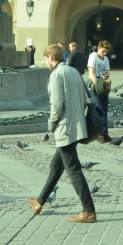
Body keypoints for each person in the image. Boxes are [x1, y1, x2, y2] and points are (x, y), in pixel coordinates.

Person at [28, 44, 96, 223]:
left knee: (73, 169)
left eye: (45, 58)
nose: (45, 61)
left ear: (51, 56)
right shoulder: (74, 71)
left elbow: (56, 105)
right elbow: (83, 99)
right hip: (76, 125)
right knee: (56, 166)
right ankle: (40, 201)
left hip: (65, 127)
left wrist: (51, 125)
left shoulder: (56, 74)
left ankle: (89, 210)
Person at [86, 40, 113, 143]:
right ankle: (99, 134)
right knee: (99, 110)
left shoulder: (105, 59)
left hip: (103, 87)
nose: (105, 53)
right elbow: (91, 73)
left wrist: (106, 79)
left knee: (105, 110)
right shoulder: (93, 57)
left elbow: (107, 71)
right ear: (99, 48)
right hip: (95, 87)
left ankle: (105, 132)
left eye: (106, 51)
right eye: (103, 51)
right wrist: (98, 85)